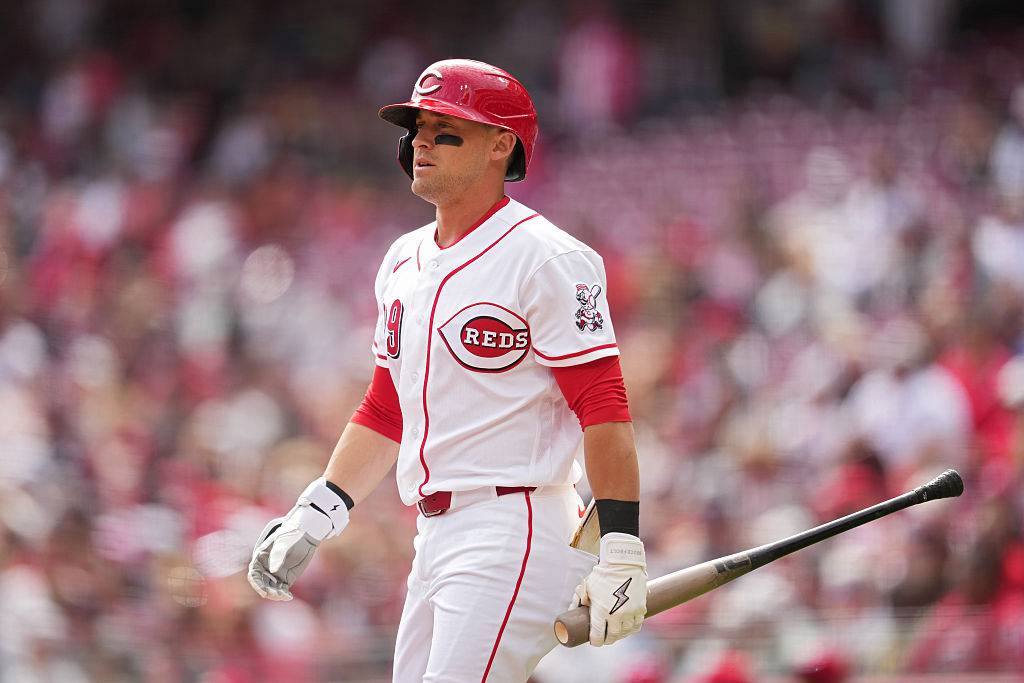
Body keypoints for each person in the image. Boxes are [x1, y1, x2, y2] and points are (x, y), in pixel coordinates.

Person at [247, 58, 647, 682]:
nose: (422, 143)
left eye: (446, 130)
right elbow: (387, 409)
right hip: (434, 534)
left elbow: (603, 407)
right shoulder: (402, 259)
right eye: (418, 130)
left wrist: (621, 546)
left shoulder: (546, 258)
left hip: (515, 523)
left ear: (500, 145)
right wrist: (318, 508)